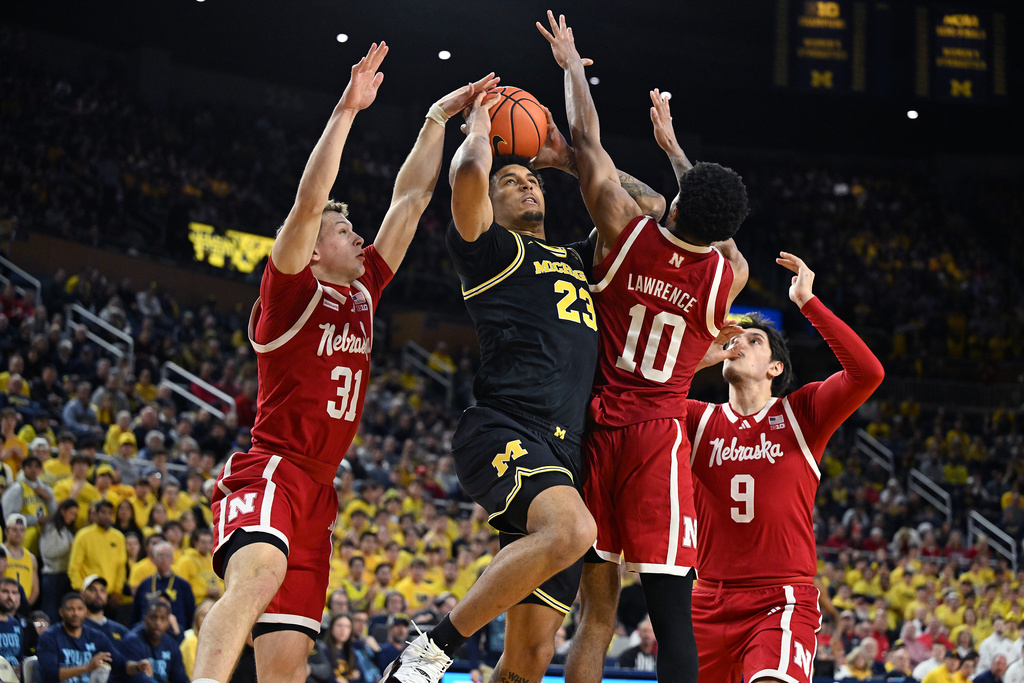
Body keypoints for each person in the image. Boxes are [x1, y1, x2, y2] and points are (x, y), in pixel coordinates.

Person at [190, 43, 499, 683]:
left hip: (321, 491)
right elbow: (309, 203)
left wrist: (437, 119)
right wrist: (347, 110)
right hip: (273, 469)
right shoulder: (288, 295)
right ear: (312, 250)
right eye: (343, 232)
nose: (357, 236)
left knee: (289, 660)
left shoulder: (360, 293)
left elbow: (410, 201)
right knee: (256, 580)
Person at [378, 42, 669, 683]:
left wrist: (567, 162)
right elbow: (469, 179)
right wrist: (480, 127)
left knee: (530, 660)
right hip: (504, 428)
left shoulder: (577, 258)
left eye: (530, 178)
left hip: (566, 455)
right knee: (572, 532)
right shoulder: (488, 252)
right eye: (514, 181)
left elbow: (658, 213)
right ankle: (428, 657)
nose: (524, 183)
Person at [538, 12, 750, 683]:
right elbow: (717, 230)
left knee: (595, 615)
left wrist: (572, 64)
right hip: (660, 438)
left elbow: (586, 141)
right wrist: (676, 151)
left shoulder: (625, 231)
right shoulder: (728, 275)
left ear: (677, 207)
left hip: (596, 427)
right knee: (671, 619)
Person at [679, 252, 884, 683]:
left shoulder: (801, 413)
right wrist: (699, 356)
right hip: (706, 598)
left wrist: (808, 303)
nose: (740, 344)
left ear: (775, 368)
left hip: (781, 597)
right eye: (737, 339)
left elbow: (867, 373)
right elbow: (647, 393)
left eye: (755, 341)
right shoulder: (696, 419)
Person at [37, 592, 152, 683]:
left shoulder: (96, 637)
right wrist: (87, 667)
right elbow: (49, 674)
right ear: (61, 612)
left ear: (85, 611)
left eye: (80, 609)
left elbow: (121, 665)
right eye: (70, 609)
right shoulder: (49, 637)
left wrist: (137, 666)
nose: (75, 613)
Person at [67, 500, 127, 612]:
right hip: (89, 594)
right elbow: (74, 567)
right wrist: (80, 589)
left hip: (110, 596)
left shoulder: (119, 537)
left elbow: (121, 567)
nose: (107, 516)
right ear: (95, 514)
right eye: (103, 512)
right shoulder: (83, 535)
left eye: (110, 513)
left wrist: (118, 591)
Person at [121, 601, 189, 683]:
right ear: (145, 620)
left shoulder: (172, 645)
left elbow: (180, 678)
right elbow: (135, 678)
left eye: (162, 618)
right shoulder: (132, 641)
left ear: (168, 623)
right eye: (153, 617)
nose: (157, 623)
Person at [38, 498, 79, 620]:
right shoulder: (51, 528)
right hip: (52, 575)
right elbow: (47, 552)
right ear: (62, 511)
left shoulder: (67, 530)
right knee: (50, 612)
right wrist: (70, 547)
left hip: (64, 575)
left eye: (76, 515)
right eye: (71, 513)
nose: (73, 517)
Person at [81, 574, 129, 646]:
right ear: (82, 595)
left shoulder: (120, 630)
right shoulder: (78, 628)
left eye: (102, 590)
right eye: (92, 590)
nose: (98, 594)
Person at [0, 578, 26, 676]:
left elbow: (19, 657)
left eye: (14, 593)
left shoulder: (16, 624)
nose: (10, 596)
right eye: (5, 591)